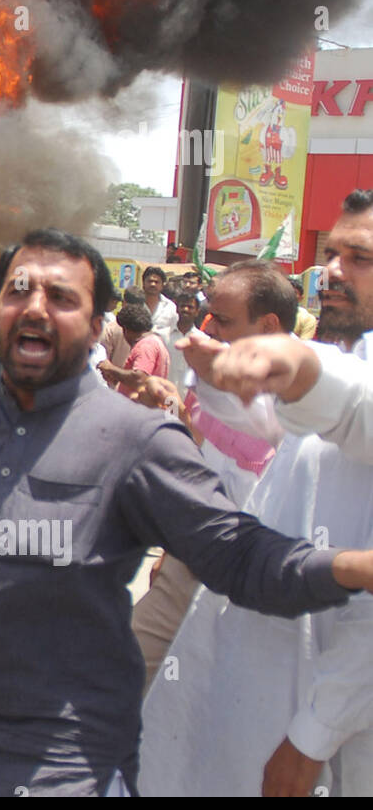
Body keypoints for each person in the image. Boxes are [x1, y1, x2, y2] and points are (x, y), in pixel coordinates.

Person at [0, 226, 373, 796]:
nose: (34, 308)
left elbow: (239, 555)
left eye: (62, 298)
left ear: (97, 326)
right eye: (17, 291)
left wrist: (348, 568)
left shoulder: (138, 440)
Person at [141, 191, 373, 796]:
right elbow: (284, 425)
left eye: (361, 258)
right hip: (264, 680)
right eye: (332, 255)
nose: (334, 273)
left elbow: (348, 405)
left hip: (334, 728)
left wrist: (312, 736)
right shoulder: (349, 355)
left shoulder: (343, 373)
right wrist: (220, 377)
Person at [128, 261, 295, 691]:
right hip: (193, 557)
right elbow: (202, 444)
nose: (210, 328)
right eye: (210, 315)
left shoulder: (305, 388)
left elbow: (260, 432)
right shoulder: (217, 368)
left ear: (269, 323)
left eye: (223, 320)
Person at [166, 292, 200, 393]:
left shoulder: (202, 340)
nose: (185, 309)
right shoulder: (163, 336)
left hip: (191, 399)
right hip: (166, 396)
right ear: (177, 309)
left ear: (197, 311)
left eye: (190, 307)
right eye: (182, 306)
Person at [142, 265, 178, 345]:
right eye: (150, 281)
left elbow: (175, 331)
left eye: (156, 282)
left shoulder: (170, 307)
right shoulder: (136, 304)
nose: (153, 284)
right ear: (143, 283)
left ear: (162, 285)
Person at [290, 276, 318, 341]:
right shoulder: (270, 314)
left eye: (294, 293)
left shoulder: (308, 319)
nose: (289, 295)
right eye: (286, 291)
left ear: (301, 298)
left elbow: (304, 344)